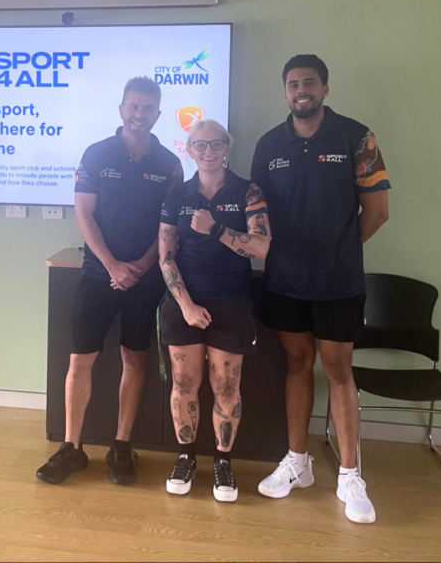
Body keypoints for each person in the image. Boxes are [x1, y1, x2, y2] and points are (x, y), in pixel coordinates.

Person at [250, 54, 390, 524]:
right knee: (296, 366)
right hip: (285, 281)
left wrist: (339, 250)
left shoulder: (357, 137)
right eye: (292, 84)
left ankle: (350, 476)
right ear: (285, 92)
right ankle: (298, 463)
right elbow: (258, 216)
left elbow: (377, 213)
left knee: (338, 371)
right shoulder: (269, 144)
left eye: (309, 82)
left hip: (338, 282)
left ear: (325, 89)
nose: (300, 90)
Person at [36, 77, 182, 486]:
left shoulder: (170, 164)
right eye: (133, 107)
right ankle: (71, 448)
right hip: (99, 275)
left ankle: (121, 446)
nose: (140, 114)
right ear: (121, 109)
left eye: (148, 108)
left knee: (135, 359)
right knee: (79, 361)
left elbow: (168, 227)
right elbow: (83, 214)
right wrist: (114, 265)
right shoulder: (96, 154)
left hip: (146, 278)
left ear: (157, 113)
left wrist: (137, 266)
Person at [157, 119, 270, 502]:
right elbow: (166, 257)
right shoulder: (177, 195)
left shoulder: (248, 191)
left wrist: (215, 228)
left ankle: (223, 462)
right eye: (200, 144)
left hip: (232, 304)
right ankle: (186, 457)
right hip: (184, 304)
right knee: (184, 383)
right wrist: (185, 305)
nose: (208, 151)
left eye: (216, 144)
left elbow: (261, 248)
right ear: (189, 150)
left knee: (226, 386)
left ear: (227, 148)